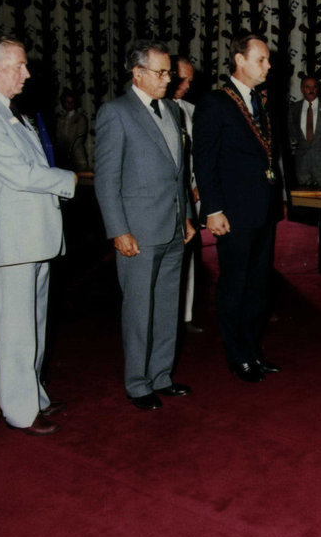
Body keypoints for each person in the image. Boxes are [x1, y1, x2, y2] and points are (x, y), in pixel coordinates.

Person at [0, 34, 77, 435]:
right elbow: (19, 174)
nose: (26, 73)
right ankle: (20, 412)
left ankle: (34, 396)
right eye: (19, 65)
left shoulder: (6, 110)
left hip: (32, 237)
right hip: (11, 241)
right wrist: (74, 180)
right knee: (16, 334)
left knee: (35, 325)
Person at [94, 40, 196, 411]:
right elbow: (107, 179)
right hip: (137, 231)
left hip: (171, 226)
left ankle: (161, 376)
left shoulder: (172, 110)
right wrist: (118, 230)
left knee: (168, 306)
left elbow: (178, 172)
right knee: (139, 309)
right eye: (161, 72)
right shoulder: (115, 113)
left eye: (169, 72)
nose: (168, 79)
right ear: (137, 73)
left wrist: (185, 215)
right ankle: (137, 383)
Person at [193, 33, 282, 383]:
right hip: (233, 212)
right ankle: (237, 354)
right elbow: (205, 158)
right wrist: (212, 209)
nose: (268, 66)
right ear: (239, 61)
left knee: (259, 285)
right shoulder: (215, 102)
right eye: (261, 59)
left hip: (263, 208)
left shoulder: (261, 101)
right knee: (235, 283)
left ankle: (253, 349)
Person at [169, 55, 204, 334]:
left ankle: (187, 315)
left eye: (190, 81)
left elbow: (199, 154)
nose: (186, 85)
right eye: (182, 79)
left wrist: (197, 183)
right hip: (168, 195)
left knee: (190, 252)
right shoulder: (158, 108)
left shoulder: (192, 109)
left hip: (192, 191)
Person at [288, 75, 321, 188]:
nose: (311, 90)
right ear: (302, 89)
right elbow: (292, 135)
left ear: (318, 88)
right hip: (302, 164)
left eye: (314, 87)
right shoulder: (294, 108)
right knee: (303, 201)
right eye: (307, 87)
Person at [55, 90, 89, 172]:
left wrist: (70, 149)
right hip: (63, 155)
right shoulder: (60, 119)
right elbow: (58, 136)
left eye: (72, 102)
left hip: (77, 153)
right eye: (67, 102)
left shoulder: (81, 118)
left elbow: (79, 137)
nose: (69, 104)